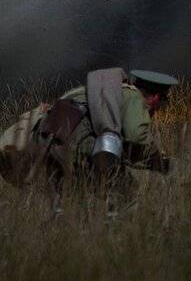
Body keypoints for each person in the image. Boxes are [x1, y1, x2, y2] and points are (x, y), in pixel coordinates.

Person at [34, 68, 178, 212]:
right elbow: (136, 135)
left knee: (69, 203)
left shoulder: (102, 92)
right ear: (156, 98)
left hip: (48, 145)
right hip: (79, 147)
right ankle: (117, 231)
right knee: (127, 190)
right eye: (163, 101)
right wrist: (157, 159)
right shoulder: (133, 96)